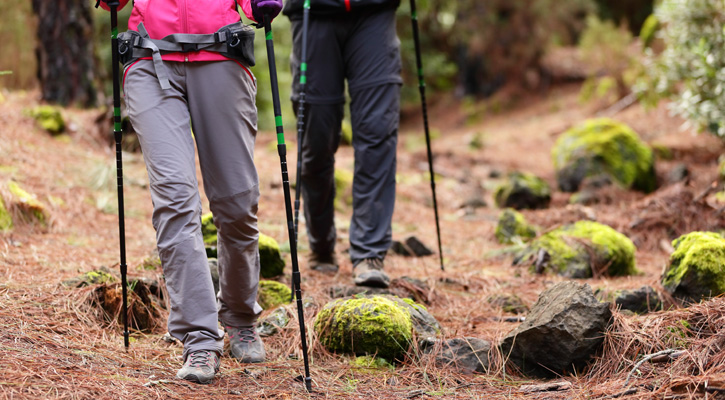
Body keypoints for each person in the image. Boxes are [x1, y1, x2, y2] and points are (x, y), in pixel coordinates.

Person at [98, 0, 283, 384]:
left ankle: (240, 315)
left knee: (237, 203)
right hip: (149, 58)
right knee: (175, 201)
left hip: (221, 54)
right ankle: (199, 337)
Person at [283, 0, 402, 288]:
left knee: (377, 133)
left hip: (375, 11)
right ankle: (321, 243)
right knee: (316, 139)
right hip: (314, 12)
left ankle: (369, 253)